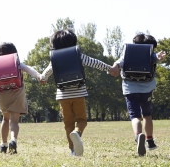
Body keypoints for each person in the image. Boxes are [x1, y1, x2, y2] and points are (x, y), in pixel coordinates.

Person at [40, 29, 118, 157]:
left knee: (68, 123)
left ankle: (73, 150)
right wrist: (109, 69)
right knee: (82, 120)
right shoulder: (78, 55)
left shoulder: (55, 58)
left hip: (63, 96)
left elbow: (46, 73)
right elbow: (95, 62)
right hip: (78, 93)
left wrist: (42, 79)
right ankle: (77, 132)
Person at [0, 42, 43, 154]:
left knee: (5, 120)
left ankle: (3, 144)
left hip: (3, 96)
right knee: (14, 121)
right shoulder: (17, 64)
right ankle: (13, 140)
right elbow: (29, 69)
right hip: (17, 94)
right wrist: (39, 76)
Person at [110, 33, 166, 156]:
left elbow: (120, 63)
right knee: (147, 114)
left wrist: (114, 66)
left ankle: (138, 135)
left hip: (130, 89)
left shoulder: (127, 53)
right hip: (147, 89)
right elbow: (155, 57)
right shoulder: (150, 55)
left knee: (135, 116)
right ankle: (150, 141)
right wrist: (159, 56)